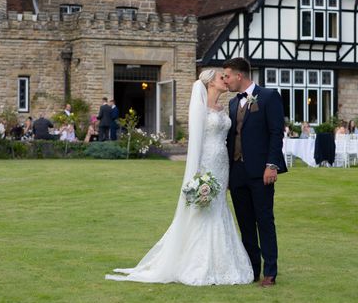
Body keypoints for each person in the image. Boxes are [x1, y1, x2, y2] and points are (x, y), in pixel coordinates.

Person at [106, 69, 253, 285]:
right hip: (206, 162)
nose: (225, 80)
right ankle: (197, 262)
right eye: (221, 77)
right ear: (210, 83)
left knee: (220, 205)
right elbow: (196, 141)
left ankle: (224, 260)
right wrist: (197, 174)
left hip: (223, 162)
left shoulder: (225, 108)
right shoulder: (200, 107)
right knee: (203, 208)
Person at [222, 57, 287, 287]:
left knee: (264, 220)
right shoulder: (232, 104)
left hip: (261, 171)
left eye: (227, 76)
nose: (224, 80)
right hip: (237, 172)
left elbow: (276, 132)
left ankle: (270, 271)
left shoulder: (269, 97)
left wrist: (272, 165)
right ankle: (252, 269)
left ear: (240, 76)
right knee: (245, 223)